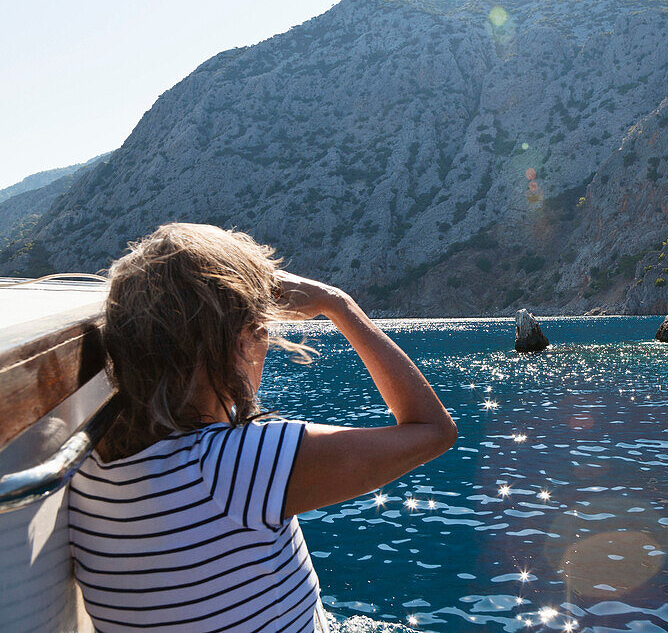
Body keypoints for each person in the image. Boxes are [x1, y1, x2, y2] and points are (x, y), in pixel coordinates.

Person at [68, 222, 457, 632]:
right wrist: (337, 304)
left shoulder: (89, 466)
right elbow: (433, 430)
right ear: (238, 340)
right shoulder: (231, 465)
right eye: (261, 328)